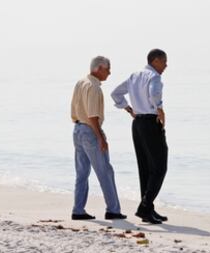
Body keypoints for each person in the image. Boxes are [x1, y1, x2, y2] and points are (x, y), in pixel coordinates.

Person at [111, 49, 168, 224]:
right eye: (164, 61)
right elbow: (154, 93)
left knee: (145, 167)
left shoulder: (135, 75)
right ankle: (144, 207)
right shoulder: (154, 77)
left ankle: (148, 208)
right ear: (155, 60)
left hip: (137, 125)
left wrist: (128, 109)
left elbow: (115, 93)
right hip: (150, 122)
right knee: (159, 167)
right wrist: (160, 109)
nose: (166, 65)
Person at [70, 56, 126, 220]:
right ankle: (113, 210)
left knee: (82, 173)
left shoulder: (81, 82)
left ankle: (78, 209)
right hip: (89, 131)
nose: (109, 72)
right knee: (105, 171)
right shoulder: (94, 87)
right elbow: (93, 116)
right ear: (99, 68)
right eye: (108, 69)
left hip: (77, 129)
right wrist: (101, 137)